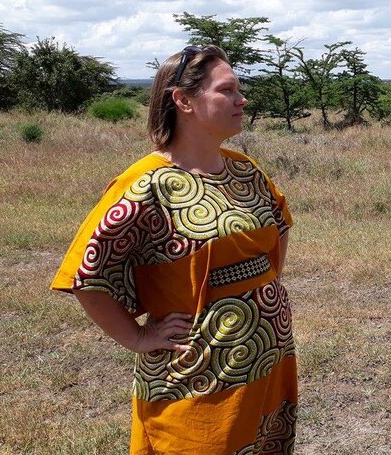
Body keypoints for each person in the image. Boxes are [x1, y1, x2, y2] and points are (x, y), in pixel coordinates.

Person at [51, 45, 297, 455]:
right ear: (183, 100)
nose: (242, 99)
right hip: (197, 369)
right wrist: (136, 337)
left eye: (240, 89)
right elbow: (86, 275)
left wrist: (260, 293)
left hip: (268, 357)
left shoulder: (245, 170)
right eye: (227, 90)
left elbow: (278, 225)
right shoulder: (146, 184)